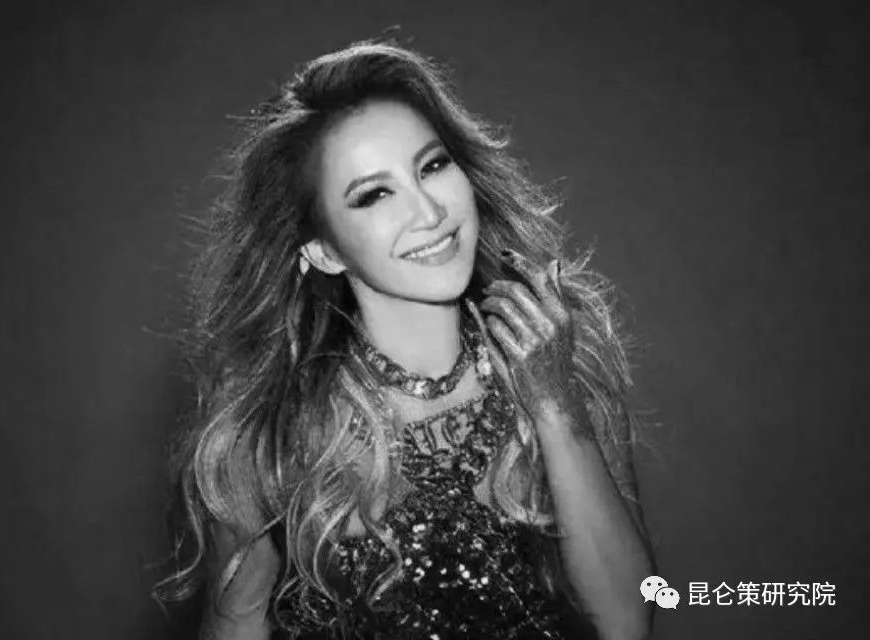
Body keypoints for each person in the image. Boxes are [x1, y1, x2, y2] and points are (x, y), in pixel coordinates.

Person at [154, 38, 656, 640]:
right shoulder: (275, 433)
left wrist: (554, 404)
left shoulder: (561, 359)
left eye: (433, 166)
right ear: (324, 250)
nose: (429, 211)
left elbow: (629, 619)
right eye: (375, 195)